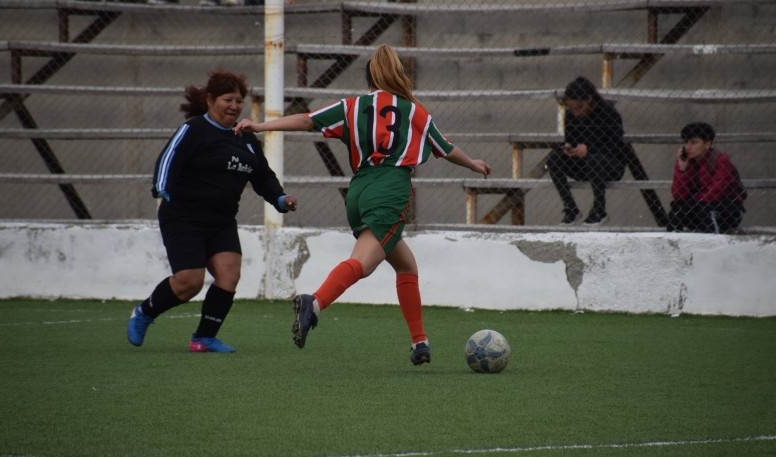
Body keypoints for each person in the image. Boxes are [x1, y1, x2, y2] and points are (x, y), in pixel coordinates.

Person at [233, 44, 491, 366]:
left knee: (406, 265)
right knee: (363, 263)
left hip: (358, 190)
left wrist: (260, 126)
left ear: (368, 78)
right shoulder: (415, 112)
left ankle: (420, 343)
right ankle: (313, 303)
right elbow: (446, 148)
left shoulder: (352, 107)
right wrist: (473, 164)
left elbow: (305, 120)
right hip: (390, 189)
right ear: (400, 74)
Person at [126, 68, 297, 352]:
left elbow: (262, 176)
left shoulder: (246, 139)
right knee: (189, 283)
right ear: (210, 100)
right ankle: (144, 313)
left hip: (221, 220)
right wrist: (161, 187)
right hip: (183, 217)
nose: (234, 106)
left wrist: (280, 198)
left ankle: (203, 337)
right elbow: (167, 159)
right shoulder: (194, 130)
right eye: (227, 99)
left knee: (229, 276)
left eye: (238, 101)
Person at [547, 76, 627, 225]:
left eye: (579, 107)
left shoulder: (609, 113)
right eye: (572, 108)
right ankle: (571, 208)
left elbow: (616, 147)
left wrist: (589, 150)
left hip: (611, 165)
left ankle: (599, 210)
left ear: (589, 99)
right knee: (553, 159)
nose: (575, 113)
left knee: (594, 160)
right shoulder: (571, 115)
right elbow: (570, 139)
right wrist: (569, 149)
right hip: (584, 164)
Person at [667, 122, 746, 233]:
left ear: (707, 144)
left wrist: (694, 202)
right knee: (676, 211)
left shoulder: (720, 160)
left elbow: (716, 192)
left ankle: (712, 244)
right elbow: (678, 195)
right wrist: (682, 169)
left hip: (727, 209)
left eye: (694, 142)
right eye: (686, 142)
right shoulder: (685, 162)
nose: (688, 147)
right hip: (698, 206)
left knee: (706, 211)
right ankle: (673, 245)